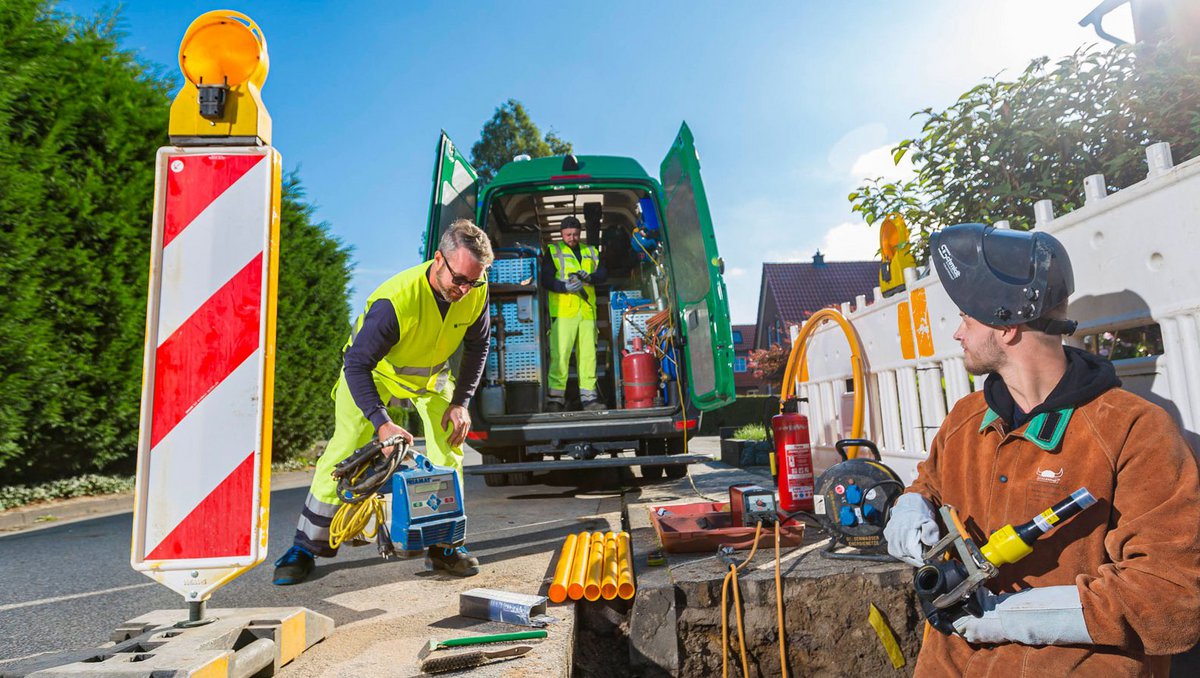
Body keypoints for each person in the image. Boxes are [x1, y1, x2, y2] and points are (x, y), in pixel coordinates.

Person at [884, 222, 1200, 676]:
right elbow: (928, 486)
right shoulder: (966, 420)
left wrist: (1015, 617)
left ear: (1007, 325)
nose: (957, 334)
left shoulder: (1134, 429)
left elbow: (1170, 599)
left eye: (966, 319)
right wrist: (911, 507)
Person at [273, 219, 493, 585]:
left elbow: (478, 345)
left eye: (475, 281)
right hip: (372, 373)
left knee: (449, 447)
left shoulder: (475, 292)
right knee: (346, 445)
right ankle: (305, 546)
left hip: (430, 378)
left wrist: (461, 402)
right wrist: (382, 423)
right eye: (460, 280)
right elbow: (357, 364)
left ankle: (445, 544)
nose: (466, 290)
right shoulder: (396, 301)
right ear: (438, 260)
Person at [541, 216, 608, 411]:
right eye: (568, 234)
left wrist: (590, 277)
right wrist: (564, 287)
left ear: (581, 233)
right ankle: (555, 400)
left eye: (576, 234)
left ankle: (589, 399)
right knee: (560, 356)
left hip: (587, 312)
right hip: (563, 312)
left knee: (588, 356)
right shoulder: (553, 251)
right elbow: (546, 279)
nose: (572, 238)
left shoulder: (591, 251)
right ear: (561, 234)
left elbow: (603, 274)